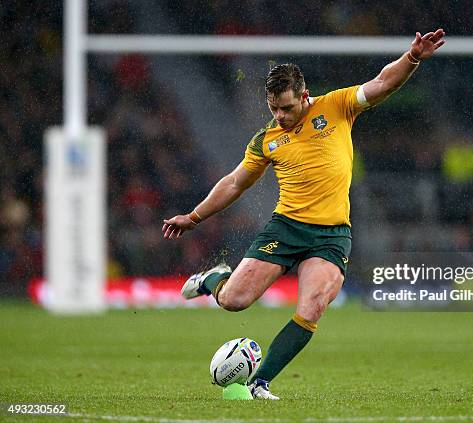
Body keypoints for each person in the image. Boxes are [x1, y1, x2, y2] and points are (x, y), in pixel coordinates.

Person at [162, 29, 446, 399]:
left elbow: (381, 84)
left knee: (312, 307)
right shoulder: (267, 140)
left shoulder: (337, 105)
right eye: (273, 109)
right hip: (287, 227)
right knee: (234, 301)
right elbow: (235, 182)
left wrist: (411, 59)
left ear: (304, 96)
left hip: (331, 234)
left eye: (287, 108)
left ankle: (259, 383)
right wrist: (194, 217)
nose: (280, 116)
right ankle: (214, 281)